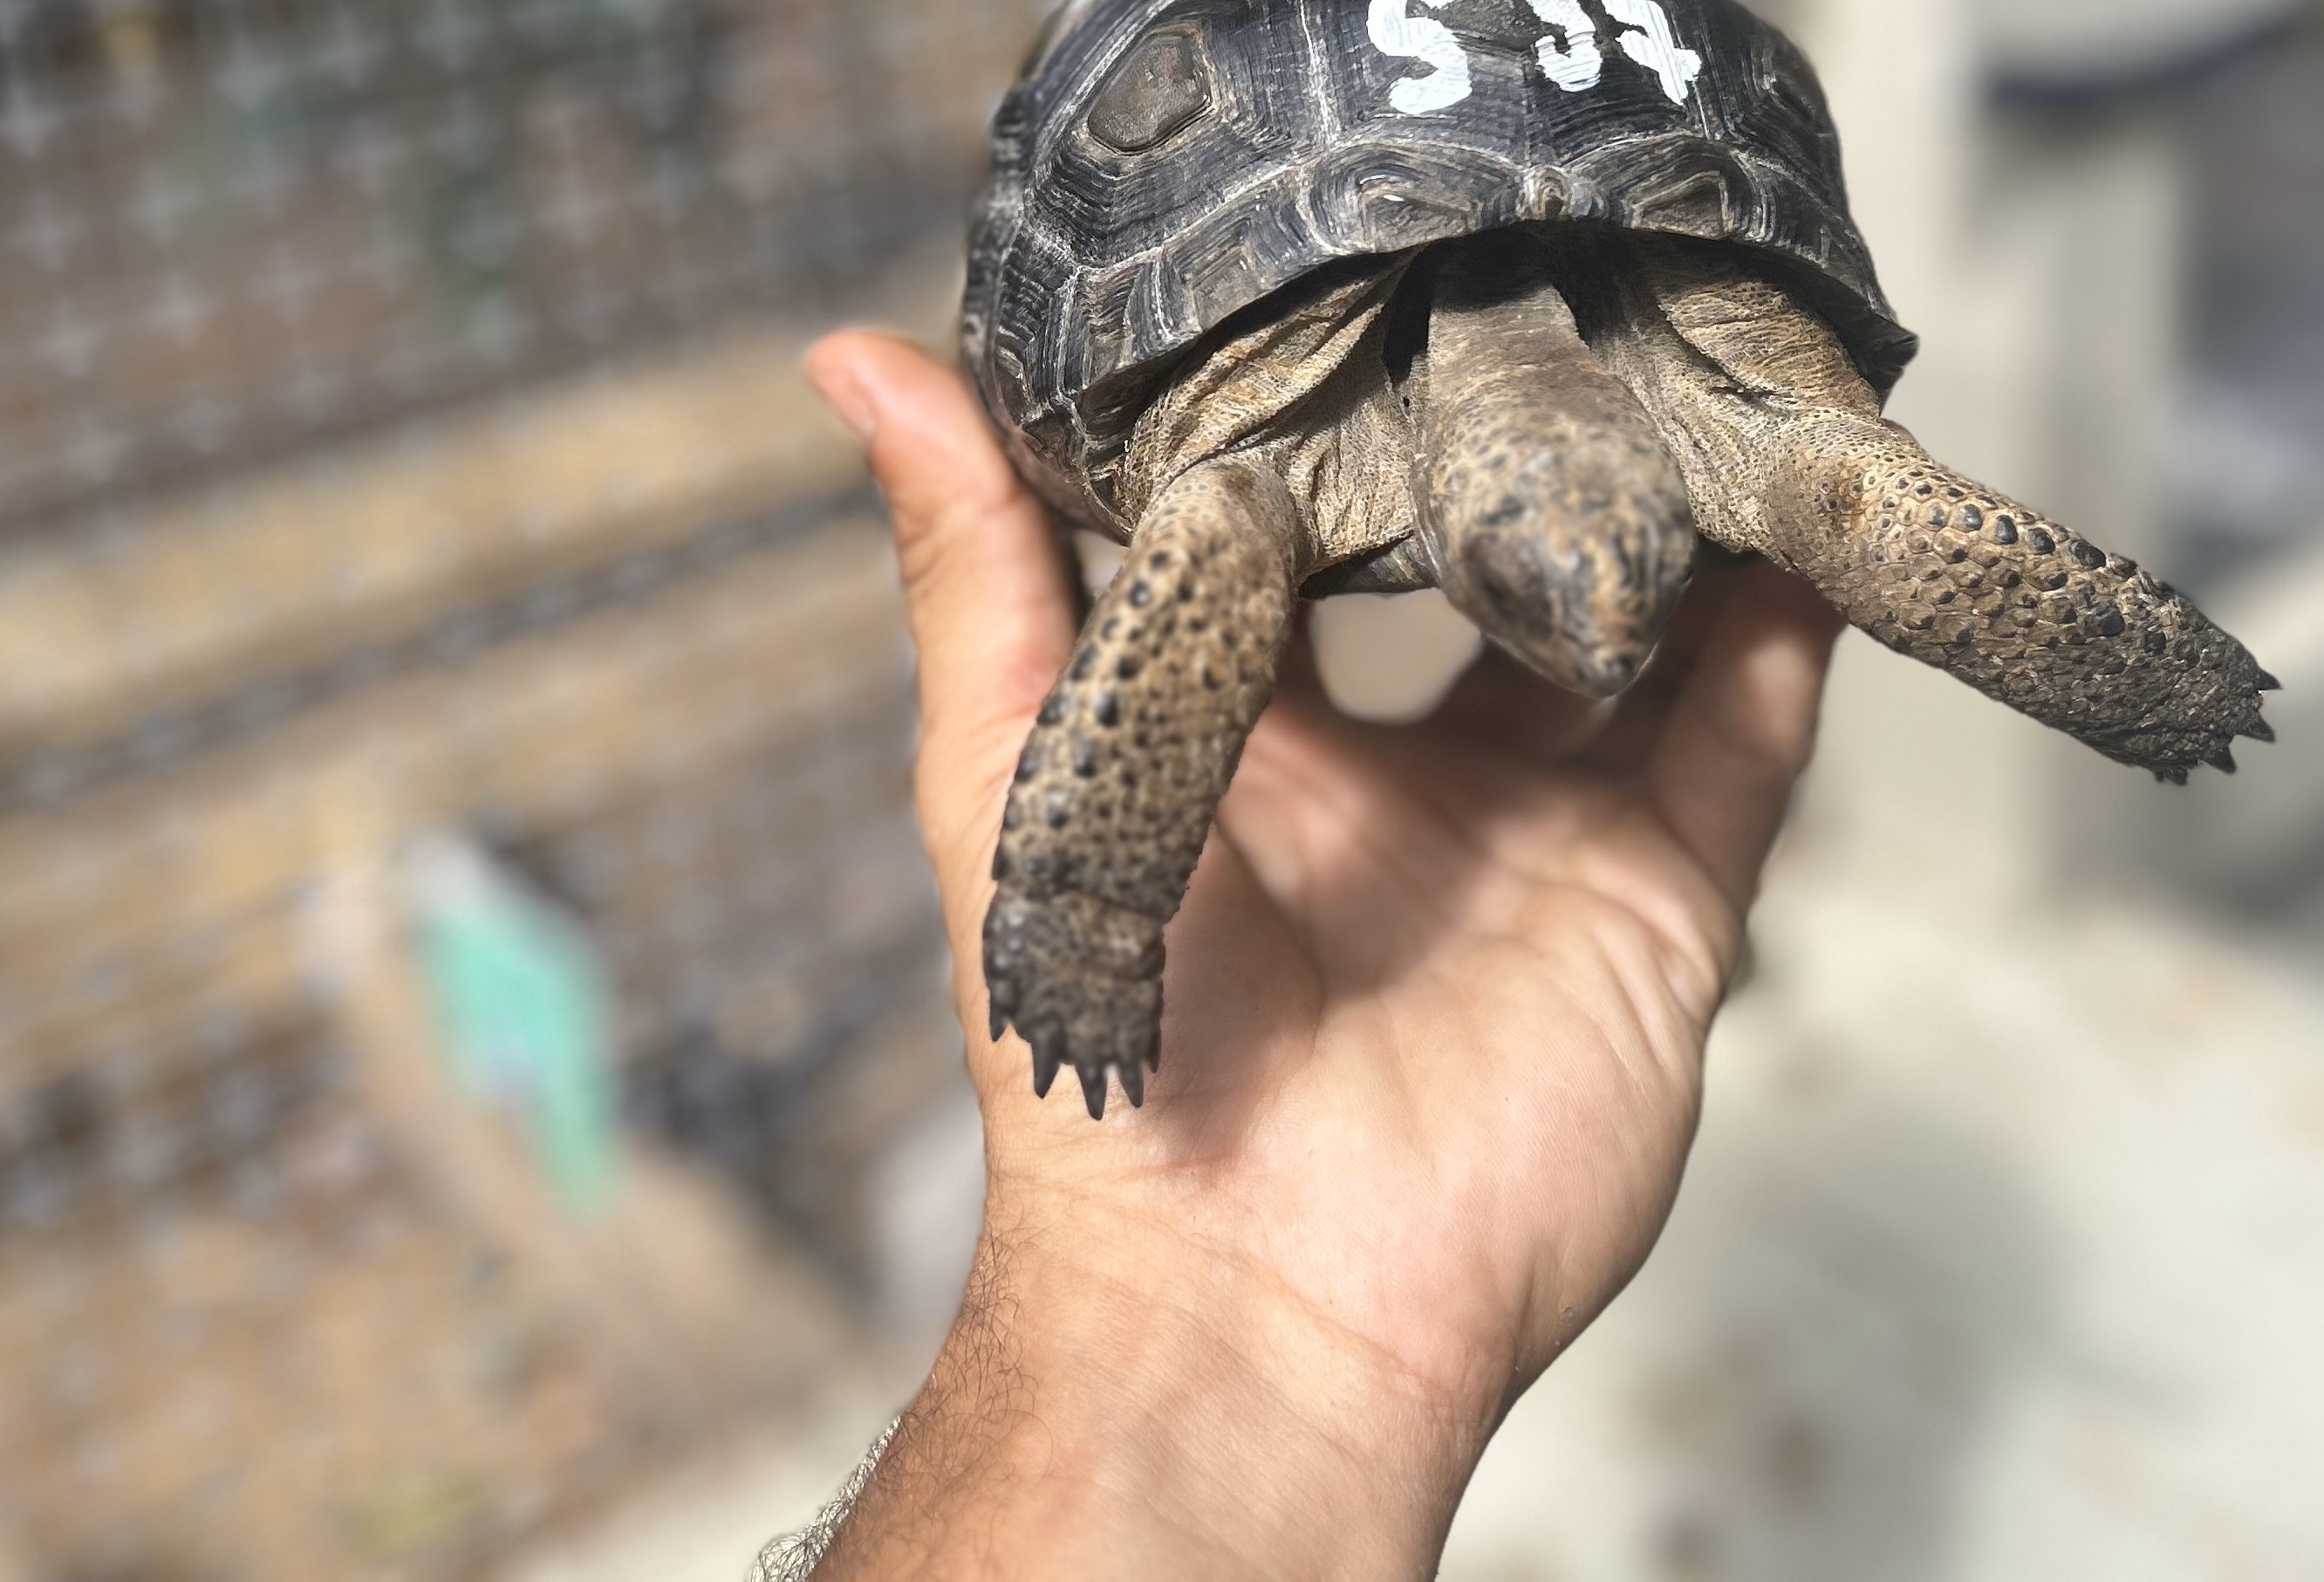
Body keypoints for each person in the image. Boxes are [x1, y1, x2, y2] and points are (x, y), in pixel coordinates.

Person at [783, 329, 1842, 1581]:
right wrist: (1086, 909)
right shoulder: (1243, 473)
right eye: (1535, 592)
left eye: (1645, 573)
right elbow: (1216, 535)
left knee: (1854, 517)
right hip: (1249, 353)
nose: (1605, 655)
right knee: (1221, 540)